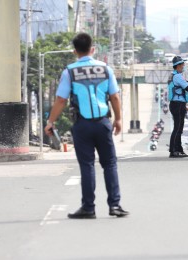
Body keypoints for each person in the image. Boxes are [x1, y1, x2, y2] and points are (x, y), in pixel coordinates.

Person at [44, 33, 129, 219]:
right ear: (93, 49)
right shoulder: (105, 69)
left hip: (82, 125)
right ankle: (115, 205)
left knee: (87, 165)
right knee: (110, 164)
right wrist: (118, 119)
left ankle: (88, 207)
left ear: (75, 51)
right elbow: (114, 96)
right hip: (103, 123)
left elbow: (61, 100)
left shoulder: (69, 72)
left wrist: (51, 122)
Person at [168, 56, 188, 158]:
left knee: (178, 128)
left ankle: (178, 149)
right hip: (177, 104)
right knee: (177, 128)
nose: (183, 66)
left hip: (178, 104)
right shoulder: (177, 76)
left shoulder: (174, 75)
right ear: (177, 66)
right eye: (182, 64)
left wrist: (184, 105)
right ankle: (174, 150)